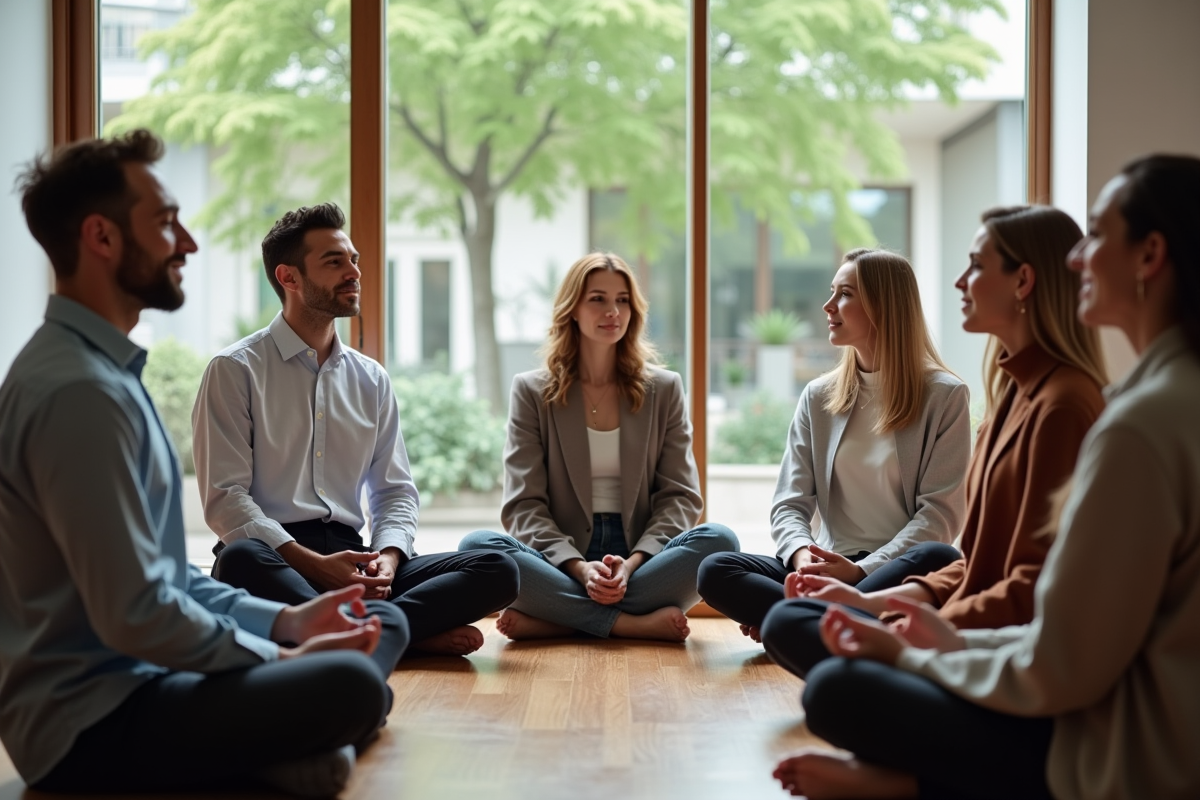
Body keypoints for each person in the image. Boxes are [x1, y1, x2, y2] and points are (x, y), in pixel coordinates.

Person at [773, 155, 1200, 800]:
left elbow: (1060, 653)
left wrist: (910, 640)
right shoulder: (1046, 397)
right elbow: (982, 566)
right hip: (1037, 662)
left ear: (1149, 257)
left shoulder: (1115, 418)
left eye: (1099, 236)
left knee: (837, 687)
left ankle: (915, 783)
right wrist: (893, 604)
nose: (1080, 259)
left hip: (1110, 743)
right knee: (793, 609)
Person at [0, 130, 408, 797]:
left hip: (146, 678)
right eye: (165, 224)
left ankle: (293, 744)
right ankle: (298, 738)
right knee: (351, 681)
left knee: (368, 633)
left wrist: (289, 619)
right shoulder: (78, 392)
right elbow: (137, 612)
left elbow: (164, 579)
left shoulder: (102, 374)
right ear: (102, 238)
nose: (187, 243)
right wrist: (284, 656)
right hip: (90, 722)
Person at [760, 205, 1107, 679]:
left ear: (1023, 282)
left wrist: (905, 625)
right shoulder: (1012, 396)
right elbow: (979, 565)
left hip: (999, 656)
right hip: (924, 604)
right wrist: (866, 601)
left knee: (812, 659)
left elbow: (1023, 583)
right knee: (738, 579)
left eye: (977, 265)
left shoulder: (1058, 405)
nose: (960, 282)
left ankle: (852, 648)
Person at [193, 202, 519, 657]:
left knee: (498, 568)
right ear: (288, 278)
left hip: (355, 560)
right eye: (334, 262)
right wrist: (314, 565)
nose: (354, 272)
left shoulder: (371, 378)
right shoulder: (235, 370)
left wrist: (385, 561)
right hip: (278, 559)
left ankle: (355, 636)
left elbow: (395, 492)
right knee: (239, 559)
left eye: (354, 260)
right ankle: (399, 634)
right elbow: (226, 500)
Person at [458, 252, 738, 642]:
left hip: (641, 559)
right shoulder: (531, 390)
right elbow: (524, 505)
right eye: (598, 299)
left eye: (623, 300)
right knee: (476, 547)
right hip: (560, 558)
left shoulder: (665, 388)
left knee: (721, 542)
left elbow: (680, 497)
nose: (613, 311)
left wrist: (632, 564)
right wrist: (578, 568)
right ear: (572, 308)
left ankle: (558, 619)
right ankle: (629, 624)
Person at [698, 249, 971, 643]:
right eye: (832, 292)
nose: (828, 306)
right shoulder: (818, 395)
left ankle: (796, 623)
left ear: (884, 305)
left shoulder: (945, 396)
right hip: (825, 562)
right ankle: (829, 624)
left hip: (893, 569)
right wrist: (803, 558)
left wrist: (860, 572)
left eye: (845, 294)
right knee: (715, 570)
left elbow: (939, 517)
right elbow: (790, 502)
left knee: (941, 559)